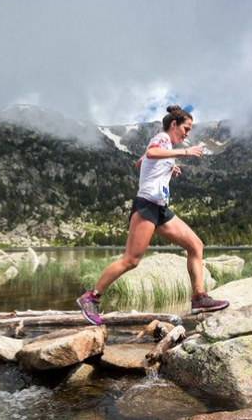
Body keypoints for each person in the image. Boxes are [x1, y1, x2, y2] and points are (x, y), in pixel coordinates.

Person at [77, 105, 229, 325]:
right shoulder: (162, 138)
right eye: (186, 128)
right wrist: (184, 152)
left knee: (196, 245)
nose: (187, 134)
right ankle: (90, 297)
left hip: (160, 209)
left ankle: (199, 298)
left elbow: (141, 161)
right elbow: (150, 153)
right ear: (173, 124)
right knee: (132, 260)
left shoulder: (166, 148)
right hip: (146, 205)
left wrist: (168, 167)